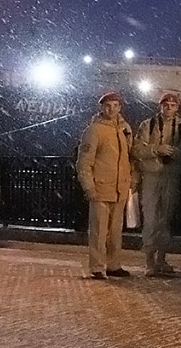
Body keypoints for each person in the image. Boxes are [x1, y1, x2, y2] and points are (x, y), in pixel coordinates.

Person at [75, 92, 137, 279]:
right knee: (99, 231)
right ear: (102, 108)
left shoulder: (125, 128)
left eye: (115, 106)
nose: (111, 109)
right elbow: (84, 162)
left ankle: (113, 264)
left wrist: (131, 180)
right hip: (101, 188)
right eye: (108, 106)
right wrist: (89, 187)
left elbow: (129, 157)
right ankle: (97, 266)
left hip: (119, 188)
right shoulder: (94, 130)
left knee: (115, 231)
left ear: (120, 107)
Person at [131, 92, 181, 277]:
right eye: (166, 105)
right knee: (151, 218)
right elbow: (137, 148)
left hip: (171, 176)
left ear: (177, 108)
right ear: (160, 106)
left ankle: (162, 258)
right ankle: (149, 260)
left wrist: (178, 155)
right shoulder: (148, 125)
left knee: (166, 219)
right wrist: (156, 149)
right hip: (152, 176)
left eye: (172, 105)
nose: (169, 108)